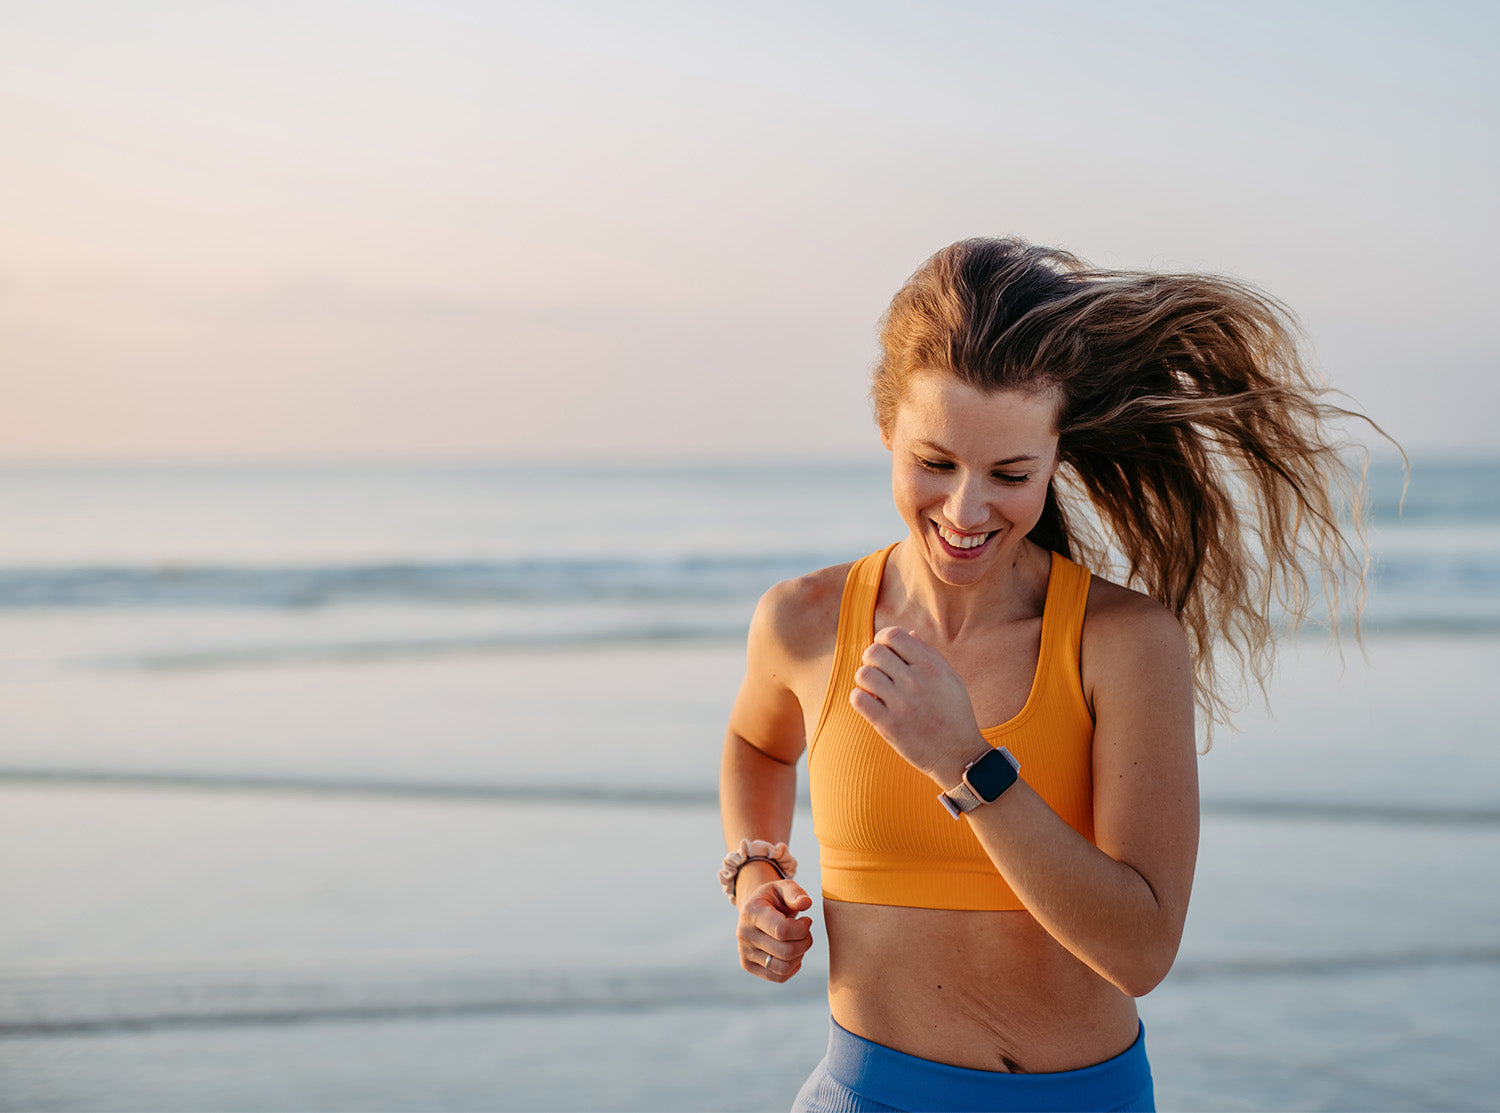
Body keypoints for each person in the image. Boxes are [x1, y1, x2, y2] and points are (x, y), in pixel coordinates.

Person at [717, 237, 1384, 1113]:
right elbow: (757, 743)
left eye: (1010, 474)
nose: (965, 509)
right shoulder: (804, 620)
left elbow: (1141, 950)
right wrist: (756, 874)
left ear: (1056, 455)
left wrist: (967, 762)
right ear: (887, 428)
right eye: (935, 462)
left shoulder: (1125, 643)